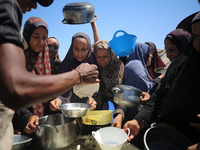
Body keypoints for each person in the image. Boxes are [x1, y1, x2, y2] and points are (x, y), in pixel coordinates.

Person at [0, 0, 99, 149]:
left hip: (44, 123)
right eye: (36, 36)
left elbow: (53, 92)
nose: (41, 42)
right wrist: (77, 75)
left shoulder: (47, 61)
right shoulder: (7, 10)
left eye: (44, 38)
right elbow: (15, 89)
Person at [123, 12, 200, 149]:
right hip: (163, 135)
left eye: (172, 50)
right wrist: (139, 120)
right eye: (195, 37)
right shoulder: (179, 65)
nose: (198, 43)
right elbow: (159, 97)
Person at [49, 32, 99, 111]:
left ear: (88, 49)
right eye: (76, 48)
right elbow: (63, 90)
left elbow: (97, 90)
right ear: (71, 48)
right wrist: (58, 100)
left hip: (88, 114)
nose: (80, 53)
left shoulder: (93, 66)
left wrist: (92, 100)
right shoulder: (65, 66)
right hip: (68, 112)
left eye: (83, 49)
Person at [93, 40, 125, 121]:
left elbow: (122, 92)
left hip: (120, 104)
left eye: (105, 57)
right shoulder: (96, 68)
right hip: (102, 105)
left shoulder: (119, 66)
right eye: (98, 57)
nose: (102, 60)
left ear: (111, 54)